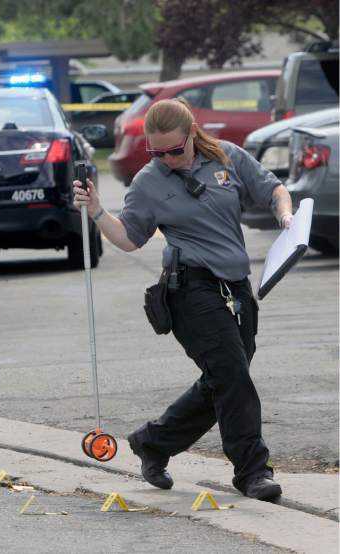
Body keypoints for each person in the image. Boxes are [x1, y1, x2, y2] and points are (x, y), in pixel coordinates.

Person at [72, 98, 294, 501]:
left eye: (175, 149)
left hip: (236, 289)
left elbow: (274, 188)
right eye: (158, 152)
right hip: (189, 290)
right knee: (231, 374)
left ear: (192, 132)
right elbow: (129, 238)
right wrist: (98, 212)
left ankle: (153, 442)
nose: (168, 159)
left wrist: (286, 218)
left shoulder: (227, 158)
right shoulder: (148, 182)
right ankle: (252, 471)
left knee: (225, 379)